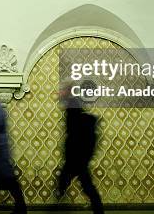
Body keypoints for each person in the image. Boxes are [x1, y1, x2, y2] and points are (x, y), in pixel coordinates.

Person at [56, 84, 104, 214]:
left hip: (76, 154)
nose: (59, 92)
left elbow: (74, 131)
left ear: (67, 91)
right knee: (84, 183)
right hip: (78, 154)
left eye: (62, 90)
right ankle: (98, 209)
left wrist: (71, 150)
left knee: (84, 184)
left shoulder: (72, 104)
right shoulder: (72, 104)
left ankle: (60, 192)